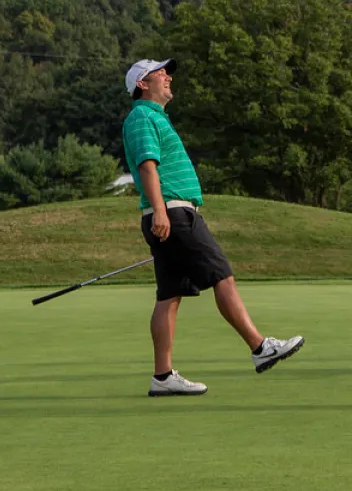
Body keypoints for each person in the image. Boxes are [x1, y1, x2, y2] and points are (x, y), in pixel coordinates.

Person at [123, 58, 303, 397]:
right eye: (160, 73)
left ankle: (162, 377)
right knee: (222, 276)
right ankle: (259, 347)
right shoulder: (142, 117)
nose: (168, 76)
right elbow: (148, 167)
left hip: (169, 213)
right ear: (142, 84)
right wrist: (161, 212)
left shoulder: (154, 117)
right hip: (174, 213)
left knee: (169, 296)